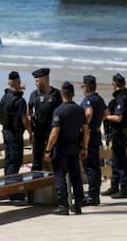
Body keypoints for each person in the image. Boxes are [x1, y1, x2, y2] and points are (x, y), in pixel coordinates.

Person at [45, 81, 89, 215]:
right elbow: (86, 131)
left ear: (61, 94)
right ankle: (78, 205)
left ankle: (63, 206)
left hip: (61, 149)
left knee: (60, 176)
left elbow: (54, 132)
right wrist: (84, 147)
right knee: (76, 177)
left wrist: (48, 150)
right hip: (75, 148)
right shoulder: (79, 110)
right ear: (73, 94)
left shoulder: (59, 111)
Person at [103, 73, 127, 199]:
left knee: (120, 161)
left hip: (119, 133)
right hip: (121, 133)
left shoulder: (121, 98)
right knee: (116, 161)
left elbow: (118, 118)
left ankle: (124, 189)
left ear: (115, 84)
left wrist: (105, 117)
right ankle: (114, 186)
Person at [0, 71, 33, 177]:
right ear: (18, 82)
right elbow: (25, 119)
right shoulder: (19, 100)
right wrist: (31, 133)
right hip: (15, 135)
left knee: (8, 160)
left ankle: (7, 184)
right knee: (15, 161)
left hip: (6, 132)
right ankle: (11, 187)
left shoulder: (4, 97)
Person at [79, 75, 108, 206]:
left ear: (87, 87)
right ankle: (95, 195)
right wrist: (98, 122)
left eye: (83, 87)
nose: (82, 89)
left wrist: (83, 124)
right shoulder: (99, 99)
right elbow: (107, 113)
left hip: (89, 134)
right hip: (96, 133)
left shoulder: (88, 99)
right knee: (95, 165)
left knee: (89, 166)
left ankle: (91, 196)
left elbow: (89, 113)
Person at [28, 68, 62, 171]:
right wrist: (30, 131)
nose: (35, 83)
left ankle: (56, 182)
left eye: (37, 81)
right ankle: (35, 182)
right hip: (38, 131)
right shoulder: (34, 94)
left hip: (52, 130)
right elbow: (28, 111)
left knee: (55, 157)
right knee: (37, 159)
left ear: (45, 80)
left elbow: (63, 112)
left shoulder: (56, 94)